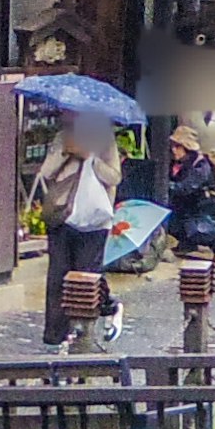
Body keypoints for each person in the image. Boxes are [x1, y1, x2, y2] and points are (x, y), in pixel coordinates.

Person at [32, 116, 126, 349]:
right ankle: (55, 335)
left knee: (87, 274)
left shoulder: (105, 140)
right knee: (58, 275)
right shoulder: (63, 137)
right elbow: (46, 172)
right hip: (63, 215)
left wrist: (90, 158)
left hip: (94, 219)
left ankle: (100, 314)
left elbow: (114, 177)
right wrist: (66, 152)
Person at [162, 117, 215, 259]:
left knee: (200, 230)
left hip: (203, 210)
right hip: (184, 208)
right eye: (173, 146)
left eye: (178, 146)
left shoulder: (200, 166)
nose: (173, 150)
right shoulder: (175, 164)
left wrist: (167, 185)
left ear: (186, 148)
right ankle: (186, 243)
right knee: (173, 222)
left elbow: (186, 188)